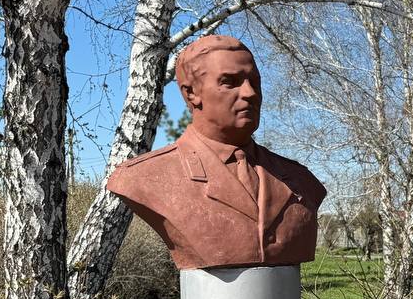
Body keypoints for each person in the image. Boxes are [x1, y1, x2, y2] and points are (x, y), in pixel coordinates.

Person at [107, 35, 326, 270]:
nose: (250, 93)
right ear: (191, 93)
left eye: (254, 82)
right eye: (230, 82)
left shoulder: (301, 180)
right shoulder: (143, 178)